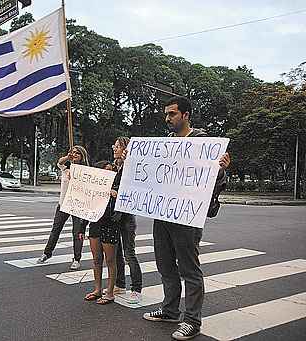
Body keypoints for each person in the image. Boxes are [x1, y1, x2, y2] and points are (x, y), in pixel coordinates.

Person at [142, 96, 230, 340]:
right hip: (163, 213)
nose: (167, 118)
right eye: (166, 114)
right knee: (165, 264)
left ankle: (192, 320)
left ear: (186, 115)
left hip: (187, 217)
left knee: (189, 269)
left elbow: (216, 181)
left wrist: (220, 169)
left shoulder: (202, 142)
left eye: (172, 114)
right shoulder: (167, 142)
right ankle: (170, 310)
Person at [37, 145, 90, 270]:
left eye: (78, 153)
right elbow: (59, 162)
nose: (75, 154)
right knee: (56, 230)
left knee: (77, 233)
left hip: (78, 206)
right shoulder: (66, 168)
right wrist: (68, 157)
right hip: (63, 204)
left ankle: (77, 259)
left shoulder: (86, 171)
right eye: (73, 152)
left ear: (82, 155)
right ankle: (47, 253)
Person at [108, 137, 143, 304]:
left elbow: (133, 188)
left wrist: (117, 193)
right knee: (116, 253)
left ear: (126, 149)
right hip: (115, 216)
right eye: (114, 146)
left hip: (127, 217)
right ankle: (120, 284)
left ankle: (136, 289)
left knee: (129, 254)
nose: (114, 148)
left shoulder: (131, 167)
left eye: (118, 146)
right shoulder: (116, 166)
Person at [83, 160, 115, 304]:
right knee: (96, 260)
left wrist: (113, 196)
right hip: (95, 226)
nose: (109, 172)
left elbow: (118, 213)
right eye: (106, 170)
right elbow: (85, 208)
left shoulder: (115, 190)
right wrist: (81, 228)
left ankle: (110, 292)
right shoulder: (93, 190)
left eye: (111, 170)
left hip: (110, 226)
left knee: (110, 260)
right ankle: (97, 289)